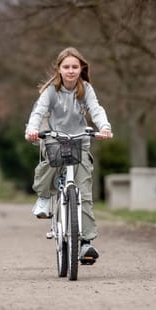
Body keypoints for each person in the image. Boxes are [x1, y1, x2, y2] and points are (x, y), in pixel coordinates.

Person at [25, 46, 112, 263]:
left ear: (81, 68)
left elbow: (96, 109)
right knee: (51, 162)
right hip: (55, 137)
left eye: (75, 66)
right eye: (66, 67)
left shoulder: (86, 89)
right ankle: (44, 197)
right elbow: (39, 111)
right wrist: (32, 130)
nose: (71, 71)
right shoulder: (51, 91)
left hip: (80, 140)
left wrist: (104, 127)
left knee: (84, 191)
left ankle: (86, 244)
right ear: (59, 69)